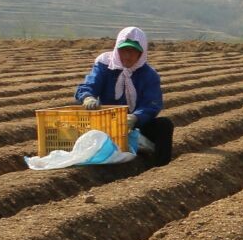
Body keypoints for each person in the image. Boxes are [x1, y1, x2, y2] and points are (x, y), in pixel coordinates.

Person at [74, 26, 172, 164]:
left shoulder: (149, 75)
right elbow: (90, 84)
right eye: (124, 50)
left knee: (164, 125)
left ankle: (159, 165)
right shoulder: (105, 66)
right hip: (108, 121)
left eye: (133, 51)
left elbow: (152, 103)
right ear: (117, 49)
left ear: (141, 53)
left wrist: (136, 117)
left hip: (136, 124)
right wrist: (87, 97)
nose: (127, 56)